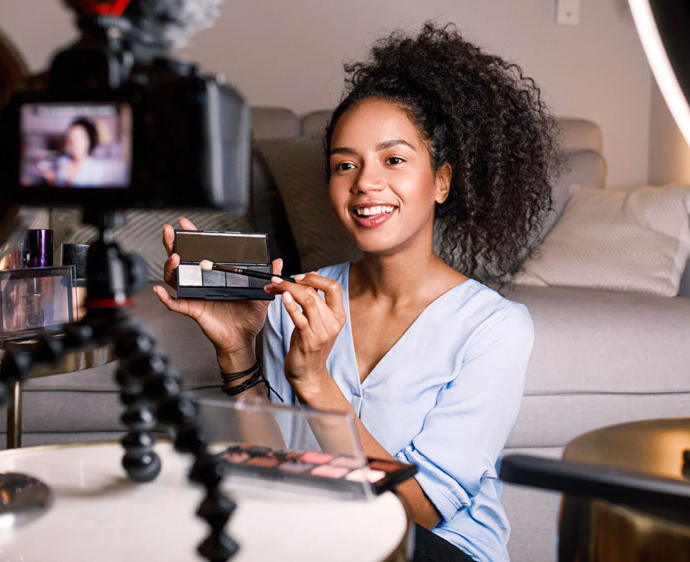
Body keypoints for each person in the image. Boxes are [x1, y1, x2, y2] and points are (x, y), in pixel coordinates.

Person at [154, 22, 559, 562]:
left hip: (431, 548)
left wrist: (316, 383)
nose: (365, 182)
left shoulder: (494, 328)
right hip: (316, 540)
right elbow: (275, 472)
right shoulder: (296, 302)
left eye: (394, 160)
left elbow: (418, 509)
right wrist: (236, 350)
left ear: (441, 181)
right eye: (345, 164)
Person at [38, 117, 105, 187]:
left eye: (78, 138)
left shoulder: (96, 168)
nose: (73, 143)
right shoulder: (62, 161)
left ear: (89, 140)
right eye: (70, 138)